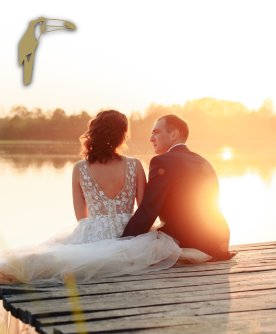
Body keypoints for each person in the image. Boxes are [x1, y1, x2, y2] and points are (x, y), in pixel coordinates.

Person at [0, 110, 181, 285]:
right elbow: (144, 210)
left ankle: (13, 270)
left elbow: (81, 216)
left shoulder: (79, 169)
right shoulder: (135, 165)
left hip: (94, 231)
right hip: (129, 233)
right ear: (122, 136)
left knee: (60, 257)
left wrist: (99, 226)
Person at [122, 114, 232, 260]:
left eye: (156, 132)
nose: (151, 138)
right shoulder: (203, 160)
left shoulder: (162, 161)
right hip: (219, 240)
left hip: (192, 241)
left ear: (174, 134)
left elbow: (149, 209)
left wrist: (123, 241)